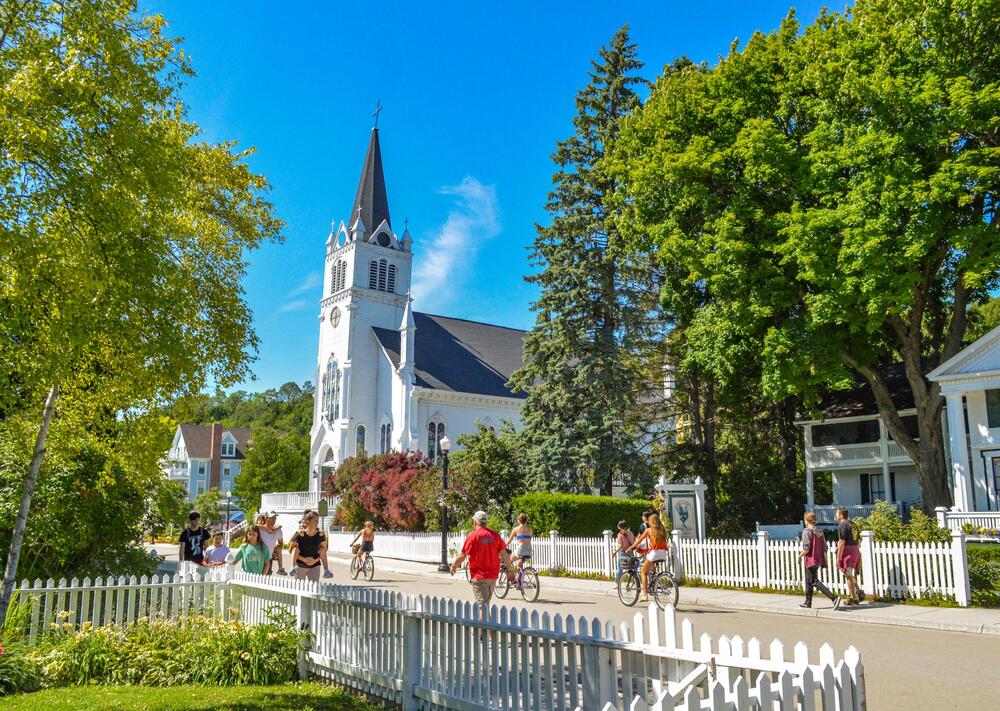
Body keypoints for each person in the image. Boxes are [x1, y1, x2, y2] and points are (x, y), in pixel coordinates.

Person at [450, 510, 515, 617]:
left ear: (475, 523)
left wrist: (454, 566)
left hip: (479, 576)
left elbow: (463, 555)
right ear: (486, 522)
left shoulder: (473, 536)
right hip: (493, 576)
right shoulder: (495, 536)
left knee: (482, 607)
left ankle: (485, 633)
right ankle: (485, 632)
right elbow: (504, 555)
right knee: (485, 605)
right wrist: (510, 571)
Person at [800, 512, 841, 610]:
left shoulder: (806, 531)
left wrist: (799, 556)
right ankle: (807, 602)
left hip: (810, 560)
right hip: (818, 559)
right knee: (808, 581)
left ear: (806, 520)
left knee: (813, 581)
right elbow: (825, 547)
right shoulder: (820, 531)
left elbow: (806, 548)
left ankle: (834, 598)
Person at [626, 512, 669, 603]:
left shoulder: (649, 530)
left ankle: (645, 595)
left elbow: (638, 541)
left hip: (654, 552)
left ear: (651, 521)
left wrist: (631, 547)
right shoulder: (662, 529)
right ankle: (655, 582)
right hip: (663, 553)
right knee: (652, 570)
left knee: (643, 572)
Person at [290, 510, 329, 582]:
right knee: (299, 589)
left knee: (313, 589)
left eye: (318, 520)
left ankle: (326, 570)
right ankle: (292, 567)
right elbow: (291, 550)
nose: (317, 522)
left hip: (315, 565)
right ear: (308, 521)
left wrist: (314, 561)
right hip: (301, 564)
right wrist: (304, 559)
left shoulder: (321, 534)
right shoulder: (300, 533)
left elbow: (324, 550)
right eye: (315, 520)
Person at [836, 508, 862, 605]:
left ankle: (856, 595)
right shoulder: (853, 524)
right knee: (849, 574)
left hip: (848, 551)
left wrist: (838, 557)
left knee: (848, 573)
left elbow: (842, 542)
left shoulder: (842, 525)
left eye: (837, 514)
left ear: (841, 515)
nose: (836, 516)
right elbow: (858, 540)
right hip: (855, 549)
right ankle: (855, 595)